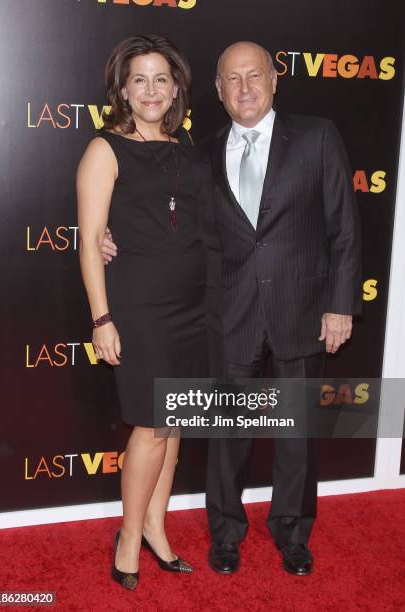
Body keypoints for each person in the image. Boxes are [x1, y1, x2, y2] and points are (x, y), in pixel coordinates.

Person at [102, 41, 362, 577]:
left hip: (302, 310)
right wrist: (109, 235)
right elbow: (169, 220)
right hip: (228, 314)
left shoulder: (317, 136)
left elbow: (345, 228)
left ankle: (293, 534)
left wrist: (341, 306)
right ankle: (225, 534)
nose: (245, 88)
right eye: (232, 80)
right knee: (227, 436)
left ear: (274, 80)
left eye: (255, 76)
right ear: (218, 92)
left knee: (297, 433)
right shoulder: (200, 152)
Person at [77, 34, 222, 591]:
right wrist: (101, 318)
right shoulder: (104, 149)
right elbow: (90, 241)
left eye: (162, 78)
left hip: (195, 305)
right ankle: (129, 538)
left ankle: (158, 529)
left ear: (177, 87)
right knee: (155, 425)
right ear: (122, 88)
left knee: (177, 422)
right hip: (140, 309)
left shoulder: (189, 149)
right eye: (140, 78)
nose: (152, 89)